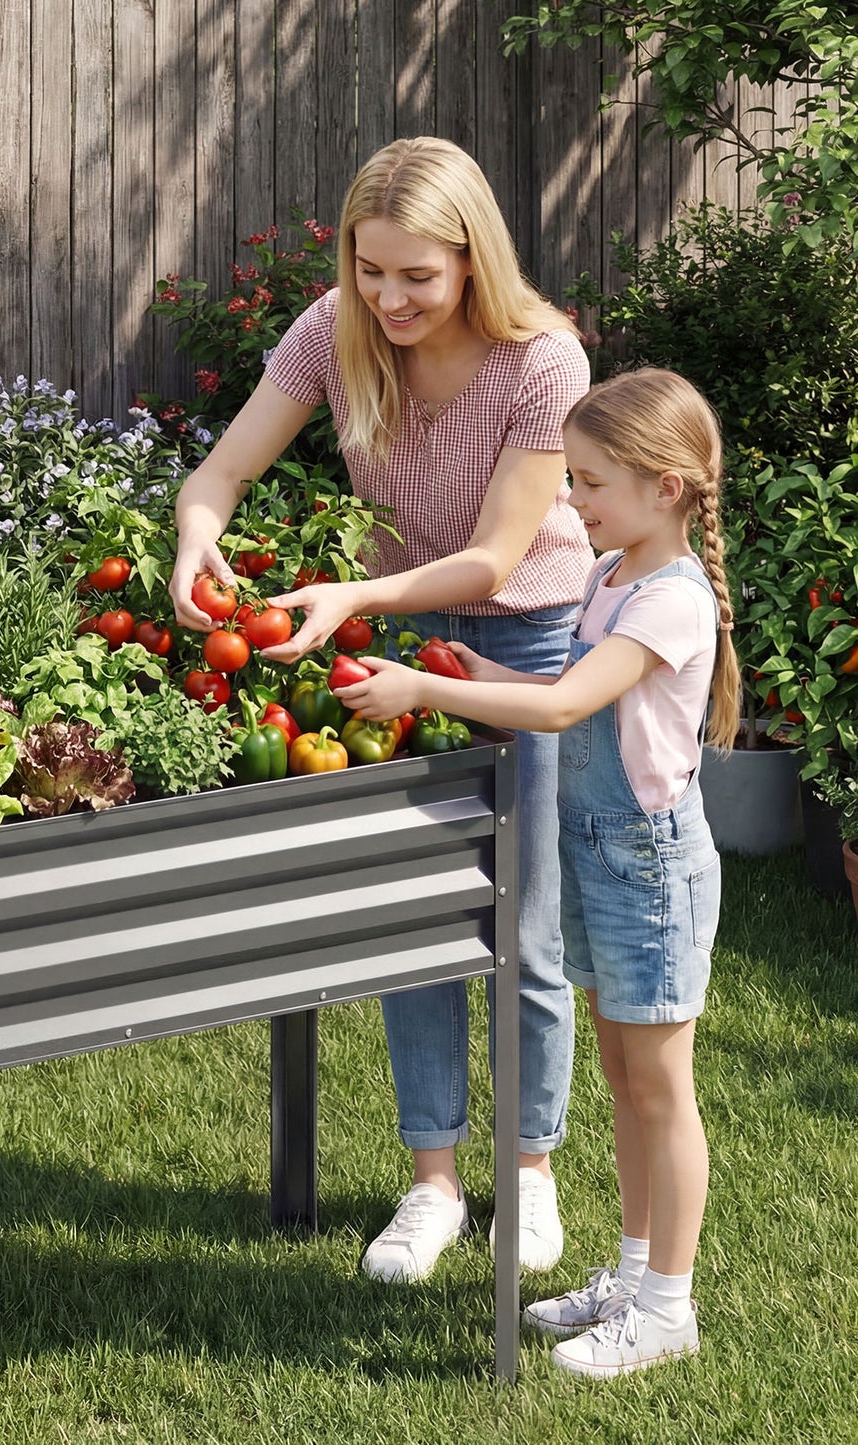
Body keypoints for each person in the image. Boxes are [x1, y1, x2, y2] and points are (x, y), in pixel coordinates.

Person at [169, 136, 591, 1282]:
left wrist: (353, 589)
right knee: (418, 916)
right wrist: (193, 539)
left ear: (470, 259)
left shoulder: (540, 359)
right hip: (398, 638)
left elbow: (498, 559)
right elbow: (218, 475)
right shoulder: (332, 332)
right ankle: (431, 1182)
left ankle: (531, 1172)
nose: (389, 297)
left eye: (417, 274)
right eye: (370, 269)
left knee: (523, 921)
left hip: (528, 639)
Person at [342, 367, 740, 1376]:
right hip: (600, 858)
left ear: (665, 488)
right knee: (622, 1078)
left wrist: (420, 684)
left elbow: (567, 714)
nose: (570, 500)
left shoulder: (671, 601)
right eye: (569, 476)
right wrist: (486, 676)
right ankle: (633, 1270)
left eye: (590, 482)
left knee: (660, 1091)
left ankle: (666, 1308)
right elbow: (567, 690)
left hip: (649, 871)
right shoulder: (610, 578)